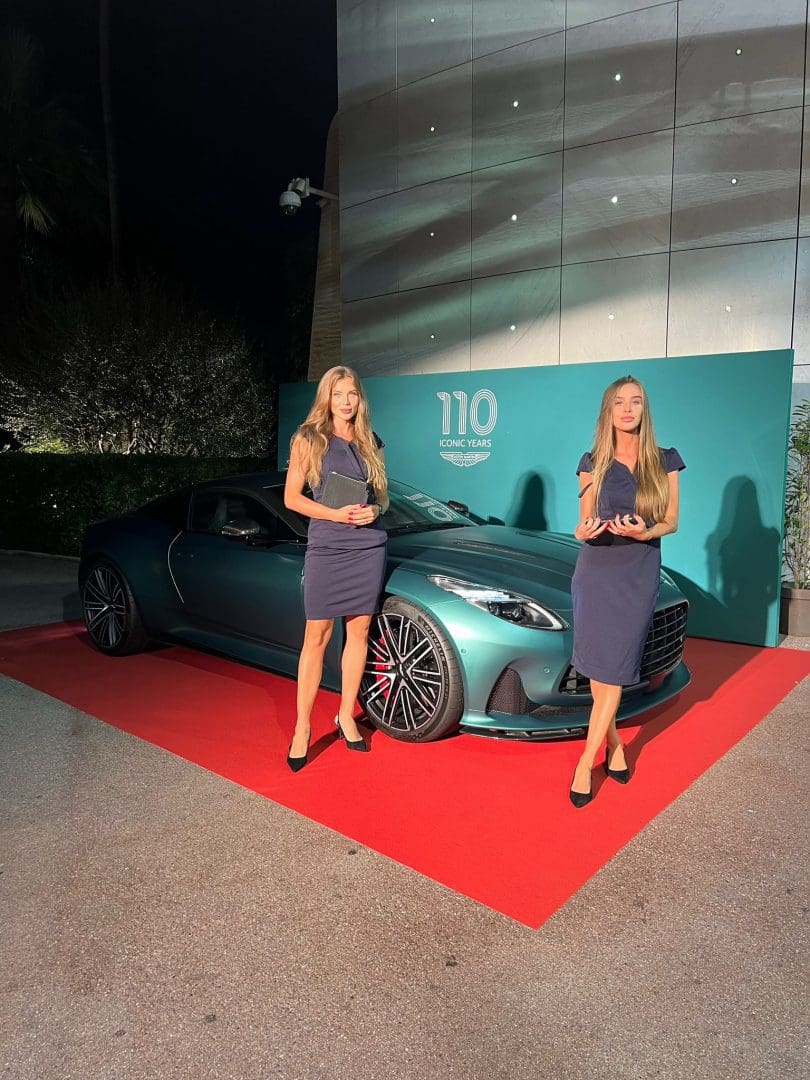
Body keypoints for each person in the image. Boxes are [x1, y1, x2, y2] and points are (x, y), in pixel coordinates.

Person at [569, 375, 685, 808]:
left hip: (637, 573)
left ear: (644, 409)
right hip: (595, 572)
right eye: (619, 402)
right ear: (609, 410)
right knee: (600, 673)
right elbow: (582, 522)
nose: (627, 409)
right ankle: (614, 745)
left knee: (614, 669)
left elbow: (672, 521)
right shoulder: (592, 461)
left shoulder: (665, 460)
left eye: (635, 402)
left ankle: (584, 763)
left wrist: (645, 532)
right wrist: (583, 531)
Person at [283, 365, 389, 772]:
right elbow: (292, 498)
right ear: (326, 397)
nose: (346, 402)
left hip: (368, 545)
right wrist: (334, 513)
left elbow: (384, 498)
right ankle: (302, 728)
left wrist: (375, 511)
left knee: (359, 631)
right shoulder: (308, 438)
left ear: (360, 399)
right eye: (338, 394)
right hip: (328, 545)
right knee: (317, 635)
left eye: (352, 394)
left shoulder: (370, 441)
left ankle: (346, 715)